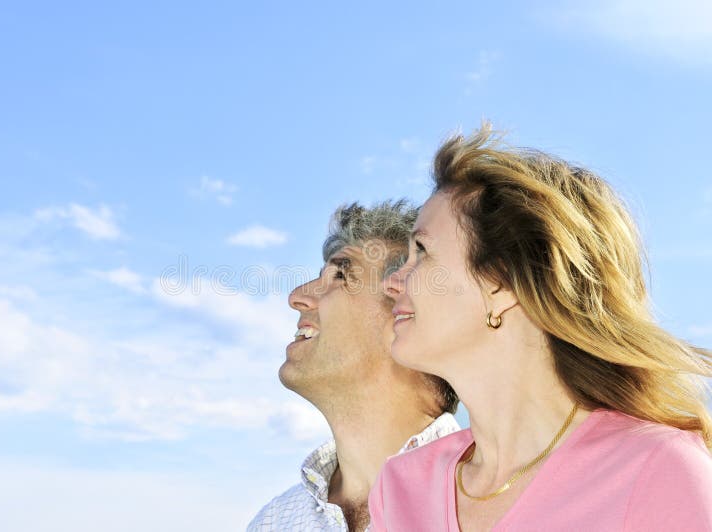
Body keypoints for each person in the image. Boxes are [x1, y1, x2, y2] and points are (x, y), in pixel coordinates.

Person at [369, 125, 712, 531]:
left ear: (502, 282)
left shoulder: (658, 470)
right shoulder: (400, 488)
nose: (391, 282)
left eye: (421, 251)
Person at [247, 201, 460, 532]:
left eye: (341, 275)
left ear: (407, 313)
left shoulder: (491, 498)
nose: (297, 296)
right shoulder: (275, 521)